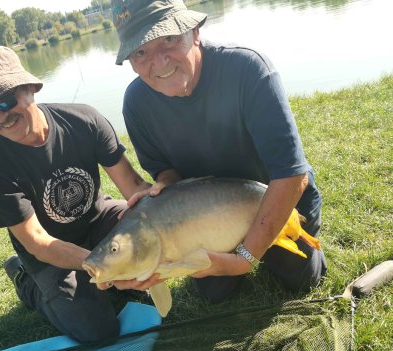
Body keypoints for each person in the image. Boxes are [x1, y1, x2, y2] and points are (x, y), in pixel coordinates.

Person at [106, 0, 327, 302]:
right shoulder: (136, 104)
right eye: (141, 52)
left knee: (302, 280)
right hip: (208, 215)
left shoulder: (248, 69)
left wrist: (244, 258)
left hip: (275, 199)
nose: (158, 63)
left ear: (194, 31)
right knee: (214, 294)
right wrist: (164, 190)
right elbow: (164, 170)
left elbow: (292, 177)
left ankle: (279, 246)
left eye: (168, 40)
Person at [0, 46, 158, 343]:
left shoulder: (84, 120)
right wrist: (100, 265)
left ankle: (110, 277)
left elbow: (135, 189)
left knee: (145, 241)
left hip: (99, 219)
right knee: (98, 333)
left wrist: (170, 230)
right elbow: (39, 242)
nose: (0, 116)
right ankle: (27, 281)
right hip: (46, 253)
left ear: (29, 88)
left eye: (5, 100)